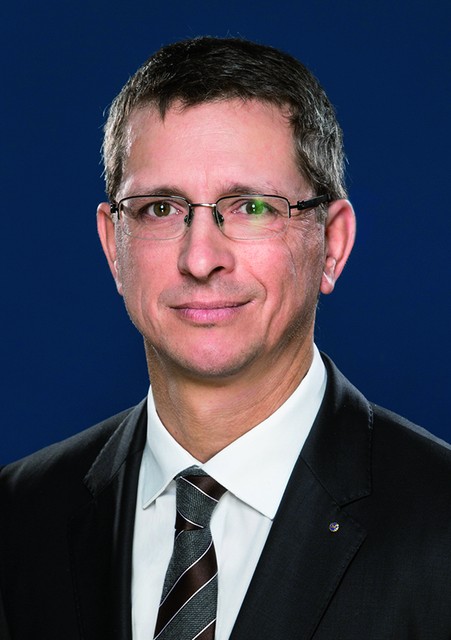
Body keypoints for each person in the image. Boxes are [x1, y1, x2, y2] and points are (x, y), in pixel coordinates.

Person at [1, 36, 451, 640]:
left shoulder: (440, 522)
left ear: (332, 245)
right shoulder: (17, 515)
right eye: (161, 209)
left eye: (251, 207)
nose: (200, 258)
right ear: (114, 247)